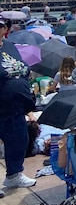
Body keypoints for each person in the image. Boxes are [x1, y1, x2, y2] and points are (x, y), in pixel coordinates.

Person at [0, 21, 38, 195]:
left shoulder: (10, 46)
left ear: (5, 30)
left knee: (18, 140)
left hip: (16, 107)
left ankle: (14, 174)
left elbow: (21, 70)